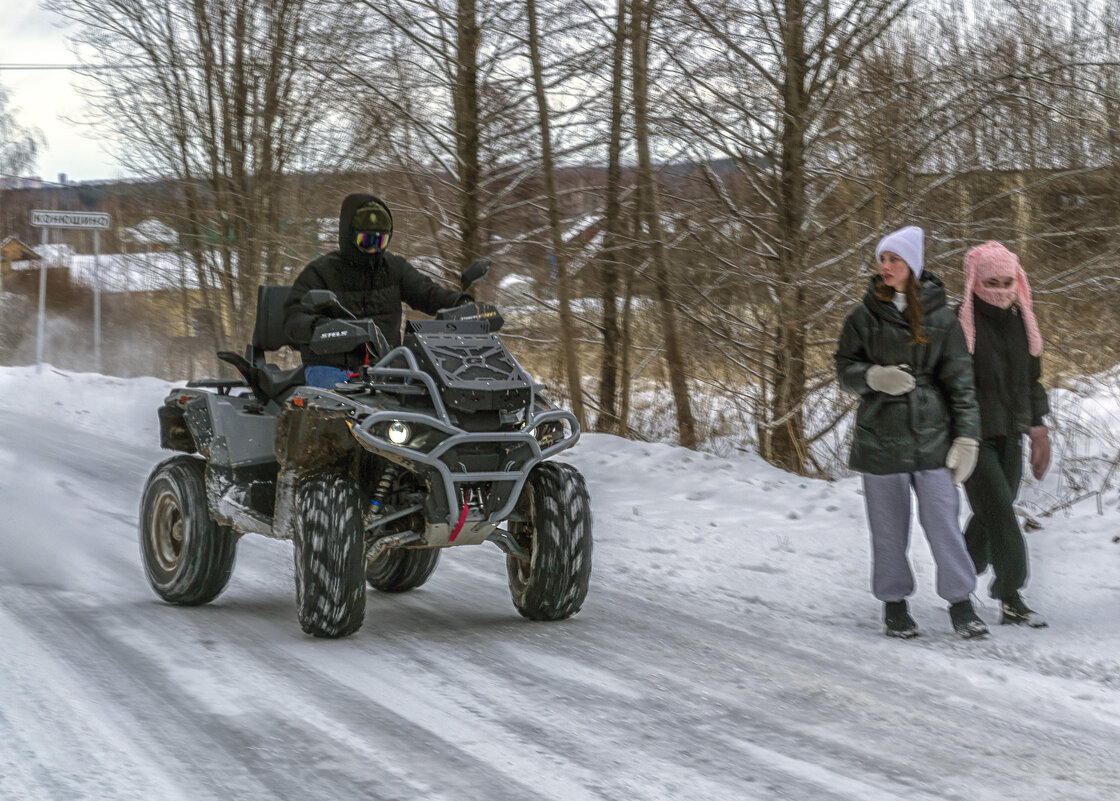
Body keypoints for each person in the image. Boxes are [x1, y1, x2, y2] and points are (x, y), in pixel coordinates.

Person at [835, 225, 988, 639]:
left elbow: (961, 382)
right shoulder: (863, 315)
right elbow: (843, 369)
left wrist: (967, 437)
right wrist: (871, 375)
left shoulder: (941, 317)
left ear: (913, 266)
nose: (885, 267)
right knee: (888, 528)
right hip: (880, 437)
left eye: (894, 259)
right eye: (882, 259)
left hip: (932, 435)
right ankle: (894, 604)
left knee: (943, 522)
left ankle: (960, 602)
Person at [284, 193, 472, 388]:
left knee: (429, 395)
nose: (374, 249)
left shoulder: (394, 268)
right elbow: (293, 320)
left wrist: (461, 304)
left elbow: (427, 293)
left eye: (380, 241)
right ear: (349, 235)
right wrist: (324, 329)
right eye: (367, 241)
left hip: (386, 365)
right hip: (333, 365)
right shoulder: (321, 272)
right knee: (337, 404)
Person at [958, 241, 1050, 628]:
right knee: (1001, 514)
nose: (999, 288)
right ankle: (1010, 595)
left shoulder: (1021, 322)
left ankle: (962, 565)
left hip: (1010, 433)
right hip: (972, 438)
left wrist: (1039, 427)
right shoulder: (960, 323)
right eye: (990, 281)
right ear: (975, 281)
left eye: (1006, 280)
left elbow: (1031, 380)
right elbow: (951, 381)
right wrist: (958, 432)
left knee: (991, 511)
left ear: (1018, 280)